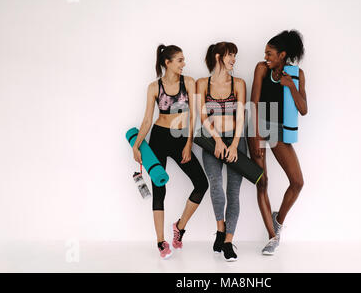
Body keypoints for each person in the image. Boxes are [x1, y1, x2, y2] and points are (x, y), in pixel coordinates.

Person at [132, 44, 209, 259]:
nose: (184, 64)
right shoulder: (154, 87)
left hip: (180, 139)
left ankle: (179, 227)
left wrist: (188, 144)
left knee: (201, 184)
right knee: (160, 188)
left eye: (184, 60)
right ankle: (160, 241)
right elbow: (148, 119)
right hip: (158, 137)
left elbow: (193, 116)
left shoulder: (189, 82)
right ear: (168, 62)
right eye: (180, 60)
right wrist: (136, 145)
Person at [247, 30, 308, 255]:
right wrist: (254, 138)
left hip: (278, 133)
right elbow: (253, 103)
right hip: (258, 129)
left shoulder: (297, 74)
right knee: (262, 183)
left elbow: (303, 110)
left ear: (283, 55)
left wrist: (290, 85)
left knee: (297, 182)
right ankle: (272, 238)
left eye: (270, 53)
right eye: (265, 53)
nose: (266, 57)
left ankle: (278, 221)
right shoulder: (262, 69)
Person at [196, 42, 247, 261]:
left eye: (235, 55)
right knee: (215, 185)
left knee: (233, 192)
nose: (234, 59)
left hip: (236, 140)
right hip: (212, 141)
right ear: (218, 56)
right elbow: (202, 115)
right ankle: (220, 229)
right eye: (230, 55)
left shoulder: (238, 83)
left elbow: (242, 116)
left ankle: (228, 241)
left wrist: (234, 144)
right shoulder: (202, 83)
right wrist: (217, 140)